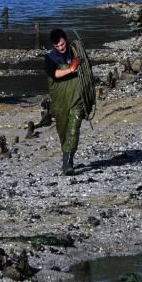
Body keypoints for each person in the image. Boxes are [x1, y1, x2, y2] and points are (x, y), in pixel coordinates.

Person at [44, 28, 85, 175]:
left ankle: (68, 164)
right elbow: (54, 74)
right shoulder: (50, 58)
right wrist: (71, 69)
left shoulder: (75, 52)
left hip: (77, 97)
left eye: (62, 44)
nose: (61, 48)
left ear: (65, 40)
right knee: (63, 131)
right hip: (60, 101)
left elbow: (86, 68)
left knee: (74, 128)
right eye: (57, 46)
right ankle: (67, 157)